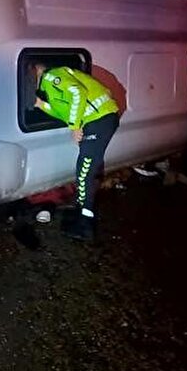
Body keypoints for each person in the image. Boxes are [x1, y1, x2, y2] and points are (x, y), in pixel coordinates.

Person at [32, 63, 120, 241]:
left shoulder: (51, 76)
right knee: (83, 170)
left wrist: (74, 127)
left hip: (99, 119)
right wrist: (42, 106)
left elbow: (77, 92)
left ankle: (85, 226)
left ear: (35, 72)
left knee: (85, 172)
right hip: (98, 120)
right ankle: (81, 213)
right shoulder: (48, 87)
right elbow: (64, 110)